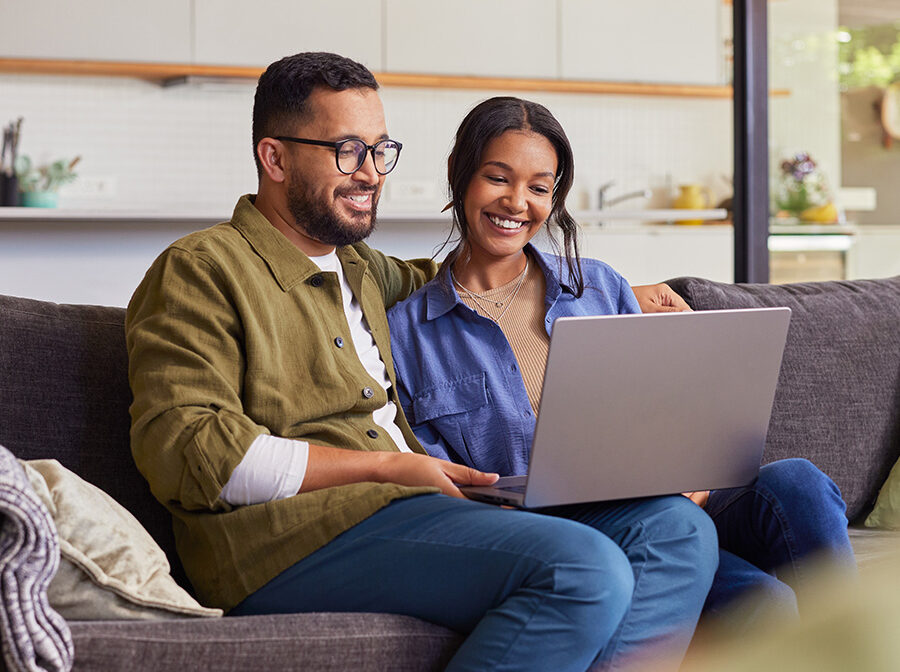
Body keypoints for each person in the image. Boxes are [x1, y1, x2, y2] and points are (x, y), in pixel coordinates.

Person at [125, 52, 714, 672]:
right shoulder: (202, 268)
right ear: (274, 157)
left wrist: (613, 291)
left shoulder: (361, 270)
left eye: (382, 150)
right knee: (581, 569)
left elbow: (470, 279)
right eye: (348, 151)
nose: (372, 173)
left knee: (676, 531)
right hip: (286, 540)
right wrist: (385, 467)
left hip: (414, 507)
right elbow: (189, 453)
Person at [386, 96, 856, 636]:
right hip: (578, 533)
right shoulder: (408, 333)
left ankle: (858, 649)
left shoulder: (600, 285)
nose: (517, 202)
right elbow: (447, 486)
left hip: (673, 498)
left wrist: (693, 475)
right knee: (763, 604)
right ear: (460, 176)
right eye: (498, 178)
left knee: (799, 481)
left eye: (540, 187)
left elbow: (667, 410)